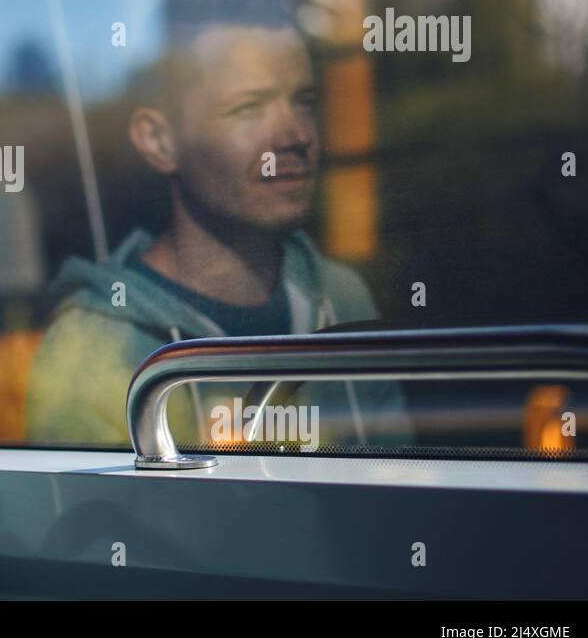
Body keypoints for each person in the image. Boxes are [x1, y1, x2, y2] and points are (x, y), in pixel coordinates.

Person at [25, 24, 411, 450]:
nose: (296, 136)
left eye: (305, 103)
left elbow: (400, 489)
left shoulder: (344, 299)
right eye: (248, 108)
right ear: (159, 141)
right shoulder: (91, 351)